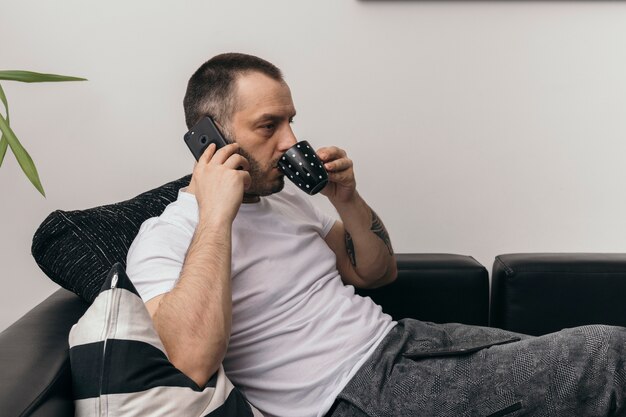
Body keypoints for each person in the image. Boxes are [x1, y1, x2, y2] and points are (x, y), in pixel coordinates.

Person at [127, 53, 626, 417]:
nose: (291, 141)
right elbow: (190, 361)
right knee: (605, 354)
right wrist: (216, 216)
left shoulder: (286, 201)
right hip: (354, 393)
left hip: (403, 341)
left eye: (291, 121)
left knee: (589, 371)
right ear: (209, 137)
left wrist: (346, 198)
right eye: (268, 125)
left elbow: (377, 271)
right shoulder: (167, 237)